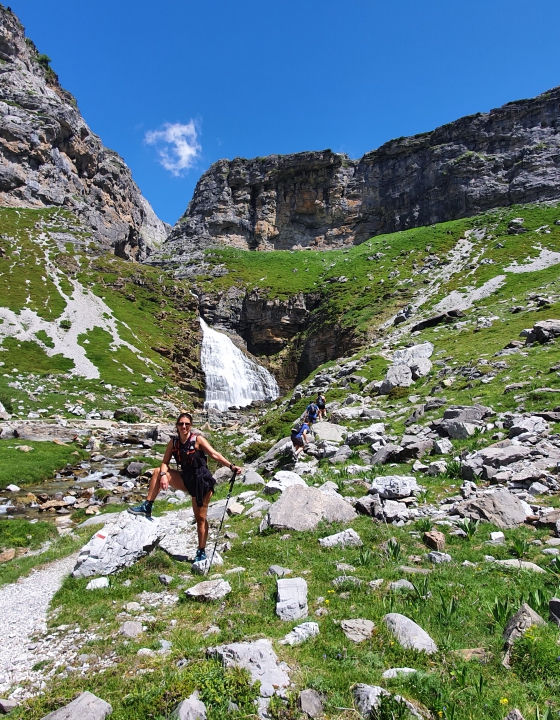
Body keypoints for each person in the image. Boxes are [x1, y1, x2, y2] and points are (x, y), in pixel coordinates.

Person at [129, 412, 241, 562]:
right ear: (176, 426)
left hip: (201, 481)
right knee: (157, 471)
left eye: (187, 424)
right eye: (181, 423)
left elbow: (214, 454)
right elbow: (164, 462)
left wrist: (231, 466)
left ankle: (201, 551)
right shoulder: (173, 443)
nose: (184, 426)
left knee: (200, 518)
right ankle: (148, 505)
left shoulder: (198, 440)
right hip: (185, 478)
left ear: (191, 426)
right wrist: (163, 475)